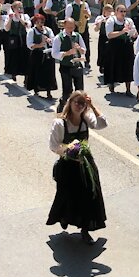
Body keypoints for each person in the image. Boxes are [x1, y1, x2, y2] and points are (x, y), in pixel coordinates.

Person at [46, 91, 108, 244]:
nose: (79, 106)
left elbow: (103, 124)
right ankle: (64, 217)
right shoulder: (60, 123)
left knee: (90, 195)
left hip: (85, 164)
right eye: (77, 102)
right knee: (67, 195)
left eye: (83, 103)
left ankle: (85, 230)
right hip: (67, 165)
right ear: (70, 102)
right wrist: (70, 150)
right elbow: (54, 146)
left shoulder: (86, 119)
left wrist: (92, 105)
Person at [52, 17, 88, 112]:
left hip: (77, 65)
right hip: (65, 66)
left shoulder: (77, 36)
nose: (70, 30)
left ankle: (79, 110)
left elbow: (84, 49)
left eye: (72, 27)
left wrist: (80, 48)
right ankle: (63, 109)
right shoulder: (59, 37)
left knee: (80, 90)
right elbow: (54, 53)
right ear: (64, 26)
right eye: (68, 27)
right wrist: (66, 53)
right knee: (67, 90)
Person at [103, 4, 137, 95]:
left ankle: (128, 89)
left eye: (124, 11)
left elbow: (134, 33)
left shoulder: (129, 21)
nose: (123, 13)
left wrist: (133, 33)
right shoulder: (111, 20)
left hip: (126, 45)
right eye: (121, 11)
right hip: (114, 46)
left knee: (128, 66)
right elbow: (109, 35)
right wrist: (122, 31)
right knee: (113, 65)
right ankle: (112, 84)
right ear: (116, 12)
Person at [24, 14, 57, 100]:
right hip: (37, 54)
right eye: (38, 22)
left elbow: (53, 40)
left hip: (48, 53)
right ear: (35, 22)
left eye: (42, 22)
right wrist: (39, 45)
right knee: (37, 71)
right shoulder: (32, 31)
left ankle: (48, 91)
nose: (40, 24)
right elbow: (29, 44)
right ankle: (36, 88)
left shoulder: (48, 30)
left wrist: (49, 41)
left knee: (49, 72)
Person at [2, 1, 29, 81]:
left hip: (23, 38)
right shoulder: (9, 16)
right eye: (18, 8)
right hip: (13, 38)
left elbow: (27, 25)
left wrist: (19, 17)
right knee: (14, 56)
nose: (20, 9)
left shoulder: (25, 16)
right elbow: (6, 28)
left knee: (25, 56)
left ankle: (26, 76)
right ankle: (14, 73)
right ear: (13, 8)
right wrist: (10, 18)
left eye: (21, 7)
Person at [91, 4, 114, 76]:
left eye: (111, 11)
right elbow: (95, 30)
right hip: (103, 37)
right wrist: (100, 23)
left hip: (111, 37)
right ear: (104, 11)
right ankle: (102, 66)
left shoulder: (113, 18)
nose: (110, 13)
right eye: (108, 11)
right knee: (102, 52)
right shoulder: (99, 18)